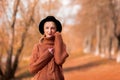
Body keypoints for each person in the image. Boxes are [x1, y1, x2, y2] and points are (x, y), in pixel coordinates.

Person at [29, 16, 69, 80]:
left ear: (56, 30)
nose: (49, 31)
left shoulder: (61, 45)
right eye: (47, 28)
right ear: (44, 30)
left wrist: (58, 36)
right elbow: (32, 69)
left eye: (52, 28)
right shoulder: (37, 46)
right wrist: (48, 54)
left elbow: (59, 61)